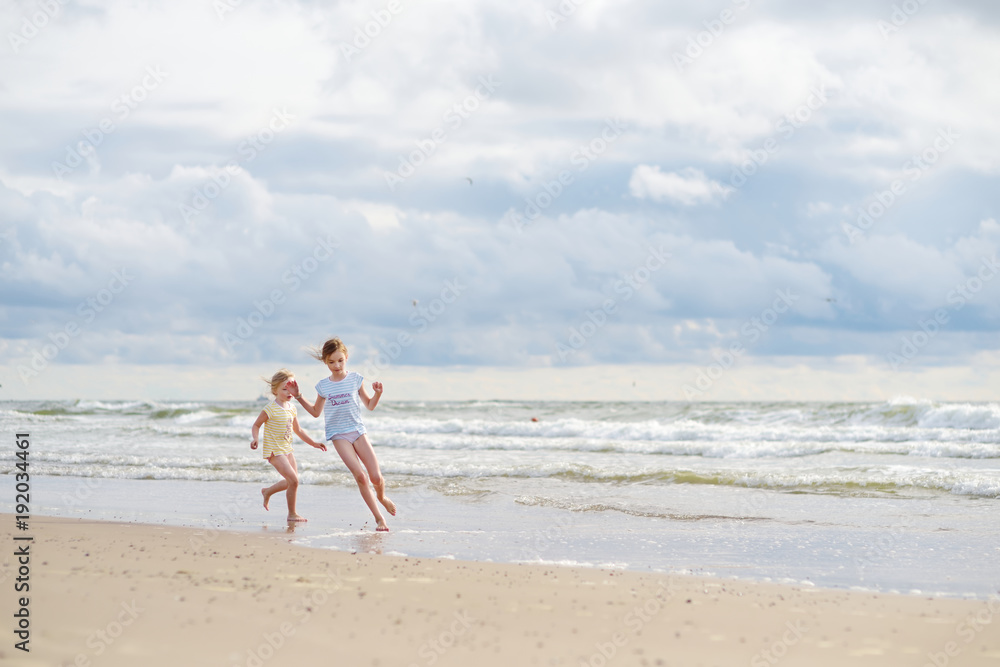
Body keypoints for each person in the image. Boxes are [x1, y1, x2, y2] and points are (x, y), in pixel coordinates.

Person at [290, 337, 396, 531]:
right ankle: (379, 519)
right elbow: (315, 412)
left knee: (375, 477)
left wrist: (378, 394)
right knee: (361, 477)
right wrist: (298, 396)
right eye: (331, 362)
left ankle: (381, 497)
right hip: (339, 435)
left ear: (346, 357)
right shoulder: (323, 385)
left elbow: (370, 405)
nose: (337, 365)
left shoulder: (355, 379)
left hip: (358, 431)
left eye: (340, 360)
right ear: (325, 362)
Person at [251, 369, 327, 522]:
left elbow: (298, 430)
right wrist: (256, 439)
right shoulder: (270, 409)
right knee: (294, 481)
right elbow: (256, 425)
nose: (289, 392)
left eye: (291, 388)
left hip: (287, 450)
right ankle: (292, 514)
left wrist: (313, 443)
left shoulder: (292, 408)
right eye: (284, 389)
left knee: (292, 482)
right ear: (275, 390)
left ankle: (267, 492)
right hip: (274, 451)